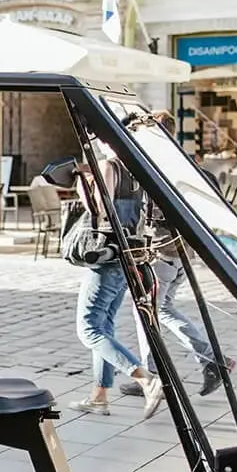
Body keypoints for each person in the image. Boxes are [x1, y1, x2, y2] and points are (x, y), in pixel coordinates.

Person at [121, 111, 234, 403]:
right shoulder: (192, 168)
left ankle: (152, 376)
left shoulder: (159, 169)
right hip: (182, 254)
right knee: (164, 309)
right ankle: (212, 361)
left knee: (144, 311)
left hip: (162, 252)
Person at [70, 143, 165, 421]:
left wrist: (83, 183)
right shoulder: (137, 166)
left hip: (107, 254)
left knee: (87, 329)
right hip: (129, 254)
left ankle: (145, 379)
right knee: (104, 325)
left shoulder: (109, 166)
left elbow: (97, 208)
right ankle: (99, 396)